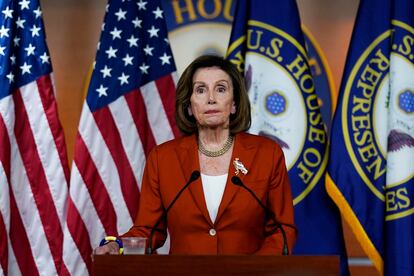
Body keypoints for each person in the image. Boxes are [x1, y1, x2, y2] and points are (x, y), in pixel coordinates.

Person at [95, 55, 296, 256]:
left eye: (221, 89)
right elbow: (149, 229)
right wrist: (117, 245)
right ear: (189, 106)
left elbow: (282, 229)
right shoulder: (163, 159)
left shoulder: (266, 154)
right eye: (200, 90)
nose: (211, 98)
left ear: (234, 103)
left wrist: (253, 270)